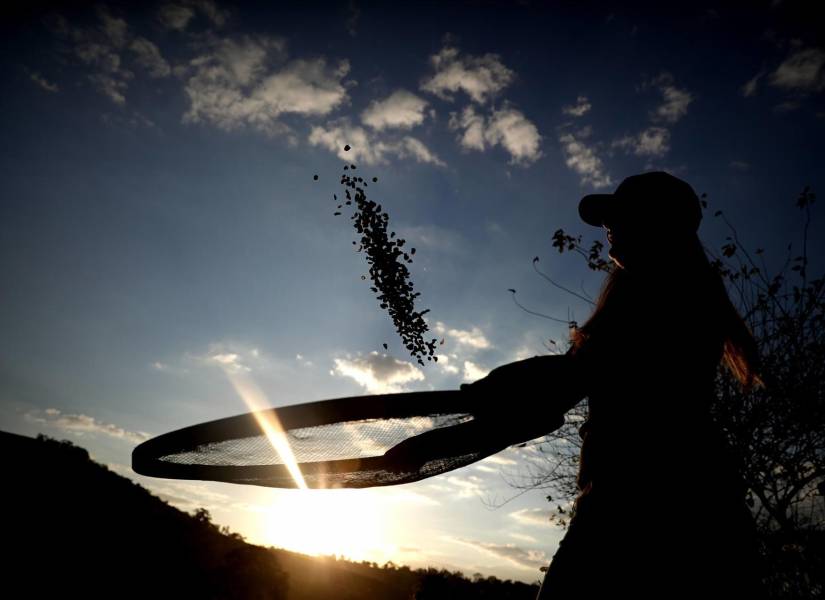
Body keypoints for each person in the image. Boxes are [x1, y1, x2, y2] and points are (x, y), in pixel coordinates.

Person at [462, 172, 767, 597]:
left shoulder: (658, 295)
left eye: (620, 217)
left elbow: (576, 376)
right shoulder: (680, 291)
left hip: (639, 507)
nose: (608, 227)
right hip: (704, 506)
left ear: (655, 225)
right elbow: (577, 375)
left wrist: (492, 392)